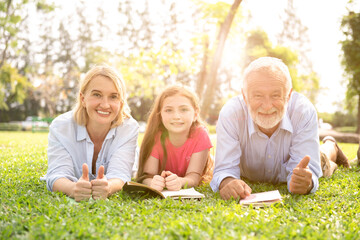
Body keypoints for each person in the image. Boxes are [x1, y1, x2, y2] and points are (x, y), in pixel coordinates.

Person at [210, 57, 350, 200]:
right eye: (258, 95)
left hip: (304, 160)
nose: (267, 106)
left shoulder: (303, 112)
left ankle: (332, 146)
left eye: (275, 95)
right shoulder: (230, 114)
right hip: (252, 171)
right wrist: (227, 181)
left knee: (323, 161)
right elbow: (224, 169)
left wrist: (305, 183)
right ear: (245, 97)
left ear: (288, 96)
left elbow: (309, 172)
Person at [46, 65, 139, 202]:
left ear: (121, 102)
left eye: (113, 97)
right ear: (83, 99)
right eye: (97, 94)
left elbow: (120, 175)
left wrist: (109, 187)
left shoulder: (129, 128)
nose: (105, 105)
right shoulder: (61, 127)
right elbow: (57, 175)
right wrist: (72, 188)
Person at [136, 85, 213, 191]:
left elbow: (194, 178)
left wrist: (180, 182)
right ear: (160, 114)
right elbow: (146, 176)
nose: (176, 116)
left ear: (195, 114)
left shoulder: (200, 135)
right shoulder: (156, 137)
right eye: (168, 110)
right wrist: (152, 182)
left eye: (184, 109)